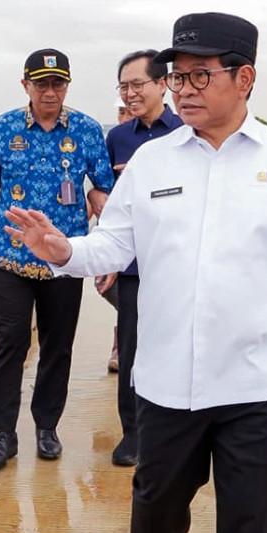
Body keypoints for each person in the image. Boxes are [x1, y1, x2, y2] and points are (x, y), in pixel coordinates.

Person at [3, 12, 267, 533]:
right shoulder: (152, 164)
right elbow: (110, 247)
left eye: (199, 75)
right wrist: (63, 252)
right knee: (155, 509)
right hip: (166, 381)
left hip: (258, 384)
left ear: (244, 78)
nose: (184, 88)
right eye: (177, 76)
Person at [0, 49, 115, 469]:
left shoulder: (87, 130)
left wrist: (105, 249)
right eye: (41, 83)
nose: (49, 91)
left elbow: (106, 192)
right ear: (25, 85)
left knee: (58, 346)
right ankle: (2, 433)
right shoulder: (3, 129)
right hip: (9, 258)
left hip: (63, 260)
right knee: (8, 343)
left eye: (58, 83)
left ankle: (47, 426)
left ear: (67, 85)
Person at [100, 49, 183, 467]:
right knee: (130, 347)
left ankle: (172, 428)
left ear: (162, 84)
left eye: (138, 85)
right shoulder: (117, 139)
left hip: (176, 264)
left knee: (175, 343)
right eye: (124, 87)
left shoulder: (186, 130)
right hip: (132, 266)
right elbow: (107, 199)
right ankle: (132, 433)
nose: (130, 94)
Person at [98, 96, 134, 375]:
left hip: (151, 239)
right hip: (118, 237)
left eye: (127, 110)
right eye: (120, 111)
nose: (125, 115)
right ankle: (121, 341)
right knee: (115, 290)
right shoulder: (116, 139)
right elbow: (101, 186)